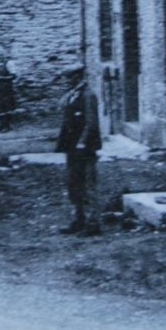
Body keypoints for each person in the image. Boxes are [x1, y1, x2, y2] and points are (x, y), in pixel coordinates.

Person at [54, 67, 103, 235]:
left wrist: (82, 142)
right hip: (71, 146)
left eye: (69, 77)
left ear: (77, 77)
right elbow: (63, 112)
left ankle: (92, 223)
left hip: (84, 147)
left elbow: (91, 123)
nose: (67, 81)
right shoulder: (72, 95)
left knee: (87, 183)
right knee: (73, 183)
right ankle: (78, 220)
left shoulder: (88, 96)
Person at [0, 57, 18, 132]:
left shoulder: (8, 63)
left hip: (6, 88)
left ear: (4, 56)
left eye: (1, 55)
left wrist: (3, 78)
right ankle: (1, 125)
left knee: (6, 106)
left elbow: (14, 76)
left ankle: (6, 125)